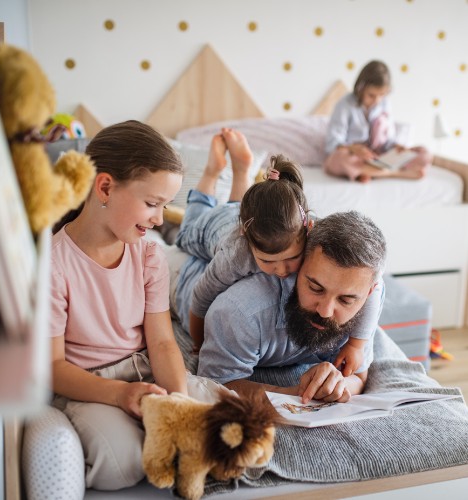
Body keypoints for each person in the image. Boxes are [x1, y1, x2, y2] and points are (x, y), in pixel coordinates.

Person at [49, 120, 227, 491]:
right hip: (90, 386)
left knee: (225, 425)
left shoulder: (148, 254)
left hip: (146, 372)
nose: (160, 219)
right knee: (123, 465)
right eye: (151, 204)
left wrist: (178, 402)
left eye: (164, 206)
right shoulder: (53, 264)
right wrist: (119, 395)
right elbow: (53, 368)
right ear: (105, 187)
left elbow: (162, 342)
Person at [174, 128, 383, 377]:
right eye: (268, 262)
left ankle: (241, 171)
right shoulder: (236, 254)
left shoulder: (314, 234)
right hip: (216, 228)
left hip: (257, 219)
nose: (283, 271)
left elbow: (372, 283)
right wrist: (198, 342)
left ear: (309, 228)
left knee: (242, 207)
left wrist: (357, 344)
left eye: (293, 258)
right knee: (187, 230)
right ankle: (213, 172)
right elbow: (201, 298)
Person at [170, 208, 387, 403]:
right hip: (186, 273)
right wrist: (294, 394)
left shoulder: (364, 299)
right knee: (181, 234)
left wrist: (338, 385)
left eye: (346, 300)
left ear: (368, 292)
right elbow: (216, 385)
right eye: (315, 288)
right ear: (301, 263)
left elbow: (358, 376)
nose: (325, 311)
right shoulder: (242, 310)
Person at [324, 60, 432, 183]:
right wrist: (353, 149)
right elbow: (332, 144)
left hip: (378, 157)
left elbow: (388, 140)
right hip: (354, 156)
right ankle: (395, 173)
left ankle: (368, 173)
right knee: (338, 159)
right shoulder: (345, 105)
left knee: (425, 153)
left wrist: (397, 146)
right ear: (360, 88)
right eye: (371, 95)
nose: (377, 100)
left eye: (382, 95)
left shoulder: (385, 104)